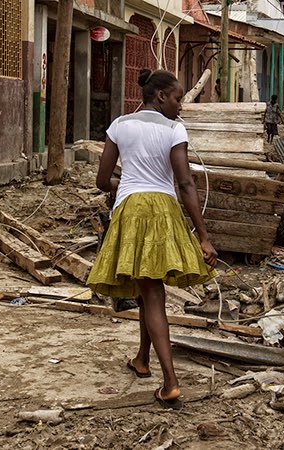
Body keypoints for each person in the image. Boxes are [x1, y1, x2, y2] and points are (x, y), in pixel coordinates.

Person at [87, 68, 218, 410]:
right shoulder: (174, 129)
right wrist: (203, 237)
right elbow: (186, 184)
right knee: (152, 290)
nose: (181, 105)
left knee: (150, 291)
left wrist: (124, 187)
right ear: (160, 96)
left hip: (131, 211)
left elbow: (103, 180)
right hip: (163, 211)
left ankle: (157, 371)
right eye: (178, 98)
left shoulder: (119, 126)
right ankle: (164, 376)